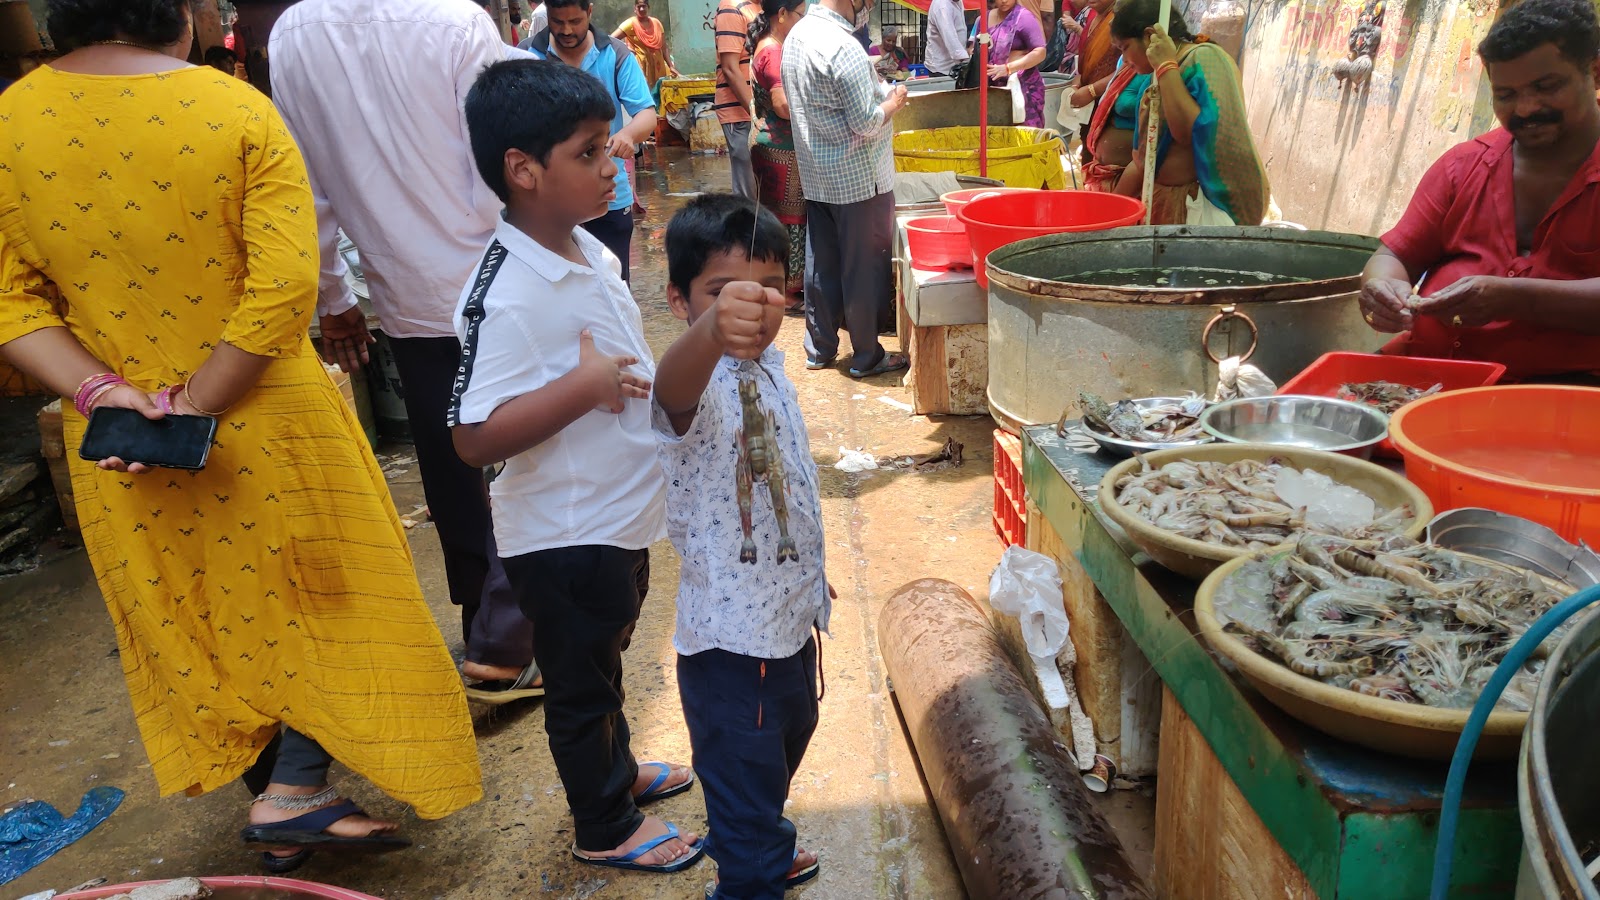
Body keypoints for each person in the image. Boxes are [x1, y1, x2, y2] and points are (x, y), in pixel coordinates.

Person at [0, 0, 480, 872]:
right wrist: (196, 402)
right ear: (179, 16)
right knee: (333, 597)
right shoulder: (235, 110)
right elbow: (284, 287)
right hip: (265, 418)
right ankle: (294, 788)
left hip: (121, 436)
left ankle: (282, 792)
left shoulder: (8, 122)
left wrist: (107, 391)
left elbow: (11, 302)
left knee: (204, 609)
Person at [453, 58, 701, 875]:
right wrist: (583, 387)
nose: (613, 163)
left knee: (605, 660)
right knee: (578, 686)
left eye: (609, 146)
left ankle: (619, 777)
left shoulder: (580, 249)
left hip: (611, 518)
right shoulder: (505, 292)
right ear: (523, 170)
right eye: (591, 152)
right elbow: (474, 437)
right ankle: (603, 826)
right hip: (563, 534)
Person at [270, 0, 541, 704]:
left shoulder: (294, 32)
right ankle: (506, 641)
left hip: (405, 294)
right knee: (533, 457)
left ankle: (479, 613)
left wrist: (335, 299)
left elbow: (308, 186)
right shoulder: (454, 24)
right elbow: (506, 159)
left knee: (452, 460)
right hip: (496, 278)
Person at [653, 194, 830, 899]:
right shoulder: (696, 382)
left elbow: (791, 474)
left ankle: (753, 836)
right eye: (723, 294)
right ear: (679, 300)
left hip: (788, 623)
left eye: (764, 292)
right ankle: (749, 870)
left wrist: (814, 572)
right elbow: (671, 386)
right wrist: (710, 334)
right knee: (745, 764)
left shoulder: (773, 364)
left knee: (785, 744)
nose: (746, 311)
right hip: (732, 648)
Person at [1359, 0, 1600, 380]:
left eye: (1546, 87)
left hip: (1568, 396)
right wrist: (1382, 288)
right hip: (1425, 377)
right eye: (1505, 94)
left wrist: (1513, 299)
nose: (1525, 109)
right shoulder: (1463, 166)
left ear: (1595, 72)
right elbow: (1394, 256)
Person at [783, 0, 911, 378]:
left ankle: (819, 348)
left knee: (821, 263)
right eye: (868, 2)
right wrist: (895, 101)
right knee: (864, 270)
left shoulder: (797, 36)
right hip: (859, 179)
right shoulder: (844, 46)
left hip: (818, 175)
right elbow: (868, 122)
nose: (869, 7)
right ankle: (867, 355)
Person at [525, 0, 657, 281]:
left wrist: (627, 134)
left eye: (575, 21)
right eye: (558, 22)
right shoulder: (526, 55)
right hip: (548, 198)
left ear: (590, 12)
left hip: (607, 195)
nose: (566, 30)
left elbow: (646, 114)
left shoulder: (616, 53)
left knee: (613, 286)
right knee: (555, 287)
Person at [1109, 0, 1268, 226]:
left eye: (1124, 48)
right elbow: (1142, 160)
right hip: (1161, 206)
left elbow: (1190, 133)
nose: (1124, 60)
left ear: (1149, 36)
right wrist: (1111, 213)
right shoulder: (1151, 78)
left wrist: (1166, 66)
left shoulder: (1203, 59)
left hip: (1195, 211)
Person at [751, 0, 811, 302]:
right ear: (783, 14)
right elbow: (782, 105)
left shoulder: (767, 45)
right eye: (800, 15)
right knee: (790, 222)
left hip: (771, 145)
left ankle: (779, 287)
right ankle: (787, 293)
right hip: (781, 149)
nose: (802, 21)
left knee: (776, 220)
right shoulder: (773, 51)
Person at [716, 0, 762, 201]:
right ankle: (748, 232)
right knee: (749, 194)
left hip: (760, 113)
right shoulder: (731, 7)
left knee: (764, 190)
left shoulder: (758, 7)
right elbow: (730, 68)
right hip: (741, 113)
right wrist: (755, 114)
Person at [1081, 59, 1147, 190]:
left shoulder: (1155, 73)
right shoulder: (1126, 60)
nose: (1126, 56)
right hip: (1108, 172)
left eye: (1126, 46)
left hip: (1132, 178)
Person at [1067, 0, 1119, 158]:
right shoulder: (1091, 16)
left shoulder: (1121, 19)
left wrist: (1091, 90)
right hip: (1089, 109)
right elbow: (1086, 61)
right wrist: (1078, 81)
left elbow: (1129, 67)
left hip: (1112, 106)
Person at [985, 0, 1048, 126]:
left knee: (1025, 137)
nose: (1004, 1)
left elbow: (1040, 52)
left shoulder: (1023, 17)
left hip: (1023, 89)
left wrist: (1008, 68)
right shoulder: (984, 19)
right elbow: (975, 48)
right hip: (995, 92)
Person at [614, 0, 679, 90]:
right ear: (635, 9)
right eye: (639, 6)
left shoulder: (657, 23)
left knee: (660, 94)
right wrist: (625, 47)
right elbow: (611, 39)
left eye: (644, 6)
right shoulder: (630, 24)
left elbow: (664, 47)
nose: (641, 9)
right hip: (641, 67)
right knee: (644, 93)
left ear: (648, 7)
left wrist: (671, 66)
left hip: (659, 66)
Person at [925, 0, 969, 76]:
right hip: (942, 68)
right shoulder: (943, 6)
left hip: (953, 65)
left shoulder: (957, 2)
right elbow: (951, 39)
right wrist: (968, 60)